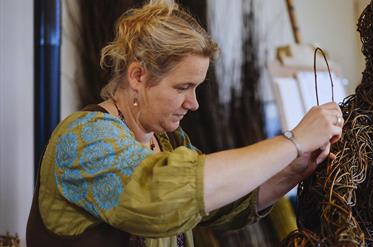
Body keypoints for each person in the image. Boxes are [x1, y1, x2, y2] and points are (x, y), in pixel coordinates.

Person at [26, 1, 344, 246]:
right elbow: (163, 195)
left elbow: (223, 201)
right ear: (138, 76)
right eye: (182, 88)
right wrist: (293, 141)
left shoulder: (167, 141)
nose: (193, 103)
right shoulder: (84, 139)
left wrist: (295, 168)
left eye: (196, 88)